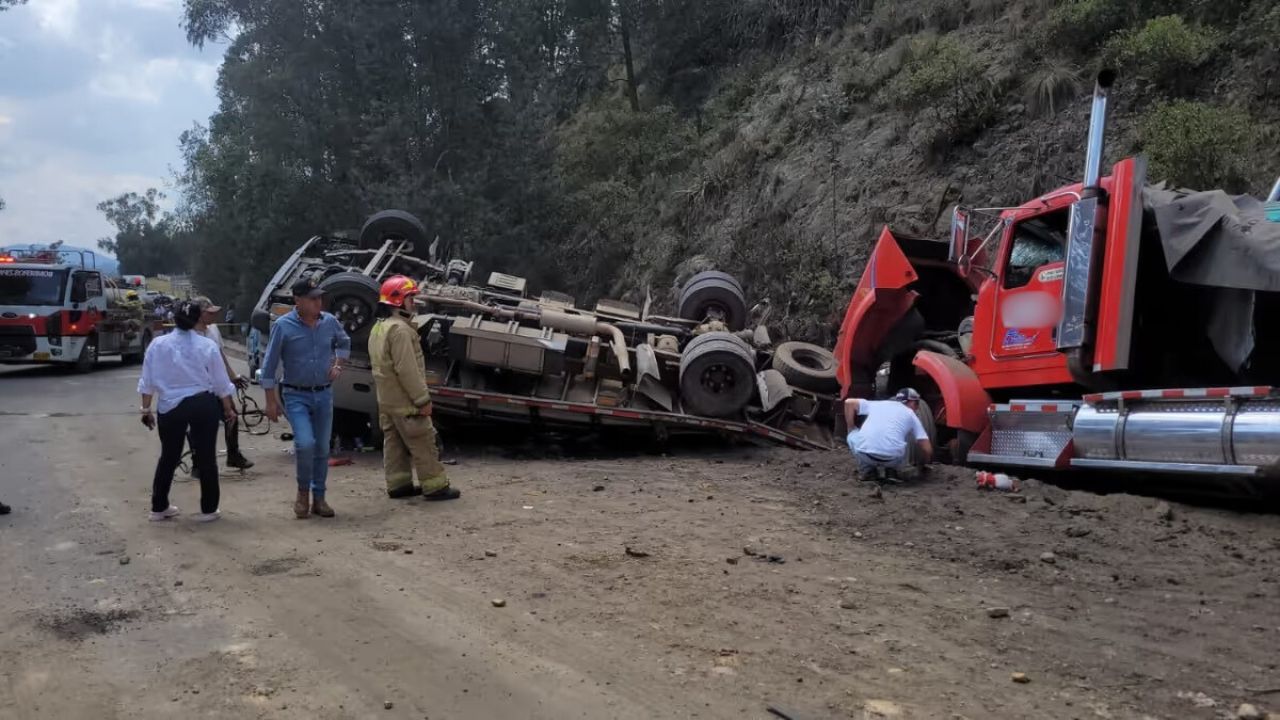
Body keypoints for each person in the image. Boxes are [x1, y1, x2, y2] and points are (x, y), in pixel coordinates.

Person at [138, 300, 237, 523]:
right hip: (202, 404)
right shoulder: (206, 345)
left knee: (169, 456)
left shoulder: (157, 344)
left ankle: (158, 507)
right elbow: (221, 383)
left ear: (173, 318)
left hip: (170, 407)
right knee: (206, 456)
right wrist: (228, 408)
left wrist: (145, 408)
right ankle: (208, 509)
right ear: (197, 320)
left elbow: (148, 381)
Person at [261, 278, 351, 519]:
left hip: (323, 394)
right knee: (305, 443)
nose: (317, 302)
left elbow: (344, 342)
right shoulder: (283, 326)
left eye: (319, 298)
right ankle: (302, 494)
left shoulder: (329, 322)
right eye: (312, 298)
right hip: (295, 394)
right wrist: (270, 400)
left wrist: (338, 364)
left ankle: (319, 498)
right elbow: (269, 365)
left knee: (322, 447)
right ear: (297, 301)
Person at [368, 276, 459, 502]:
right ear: (398, 301)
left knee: (394, 444)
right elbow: (407, 371)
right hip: (406, 403)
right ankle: (436, 487)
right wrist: (422, 400)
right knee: (423, 442)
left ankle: (399, 485)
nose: (414, 302)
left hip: (387, 402)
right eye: (411, 297)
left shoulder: (380, 328)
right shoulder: (401, 331)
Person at [190, 296, 254, 470]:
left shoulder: (213, 330)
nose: (214, 316)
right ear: (199, 314)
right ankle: (198, 463)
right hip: (197, 387)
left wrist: (233, 377)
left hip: (217, 383)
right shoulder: (188, 334)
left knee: (231, 415)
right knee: (198, 425)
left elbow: (220, 356)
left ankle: (233, 455)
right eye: (209, 313)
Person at [843, 387, 933, 478]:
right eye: (917, 404)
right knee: (904, 436)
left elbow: (848, 402)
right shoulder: (911, 414)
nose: (917, 408)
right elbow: (926, 447)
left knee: (852, 434)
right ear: (912, 402)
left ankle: (868, 471)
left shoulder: (879, 404)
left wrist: (851, 426)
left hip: (866, 455)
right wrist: (924, 463)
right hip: (893, 459)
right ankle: (892, 471)